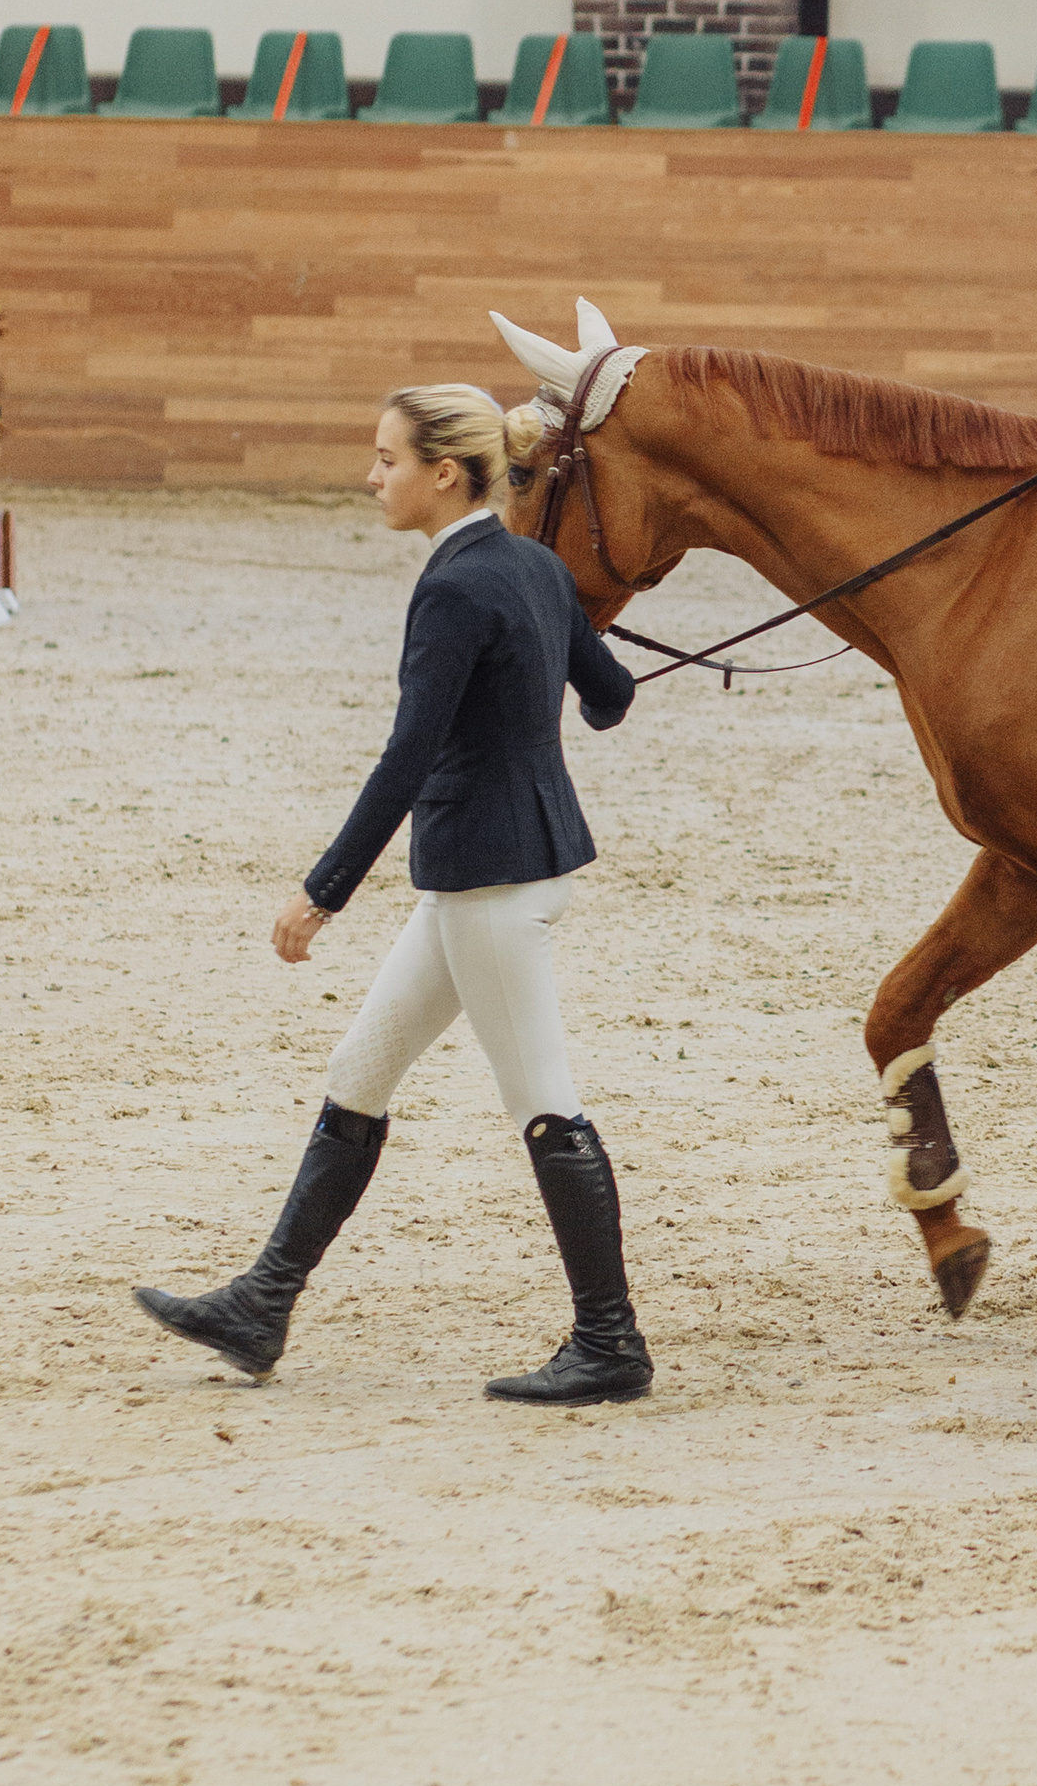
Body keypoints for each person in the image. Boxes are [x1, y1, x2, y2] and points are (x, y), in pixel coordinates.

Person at [134, 383, 651, 1407]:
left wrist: (321, 892)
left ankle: (611, 1344)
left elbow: (408, 753)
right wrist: (537, 685)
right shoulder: (537, 568)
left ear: (443, 473)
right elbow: (613, 697)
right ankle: (262, 1304)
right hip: (499, 865)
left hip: (491, 879)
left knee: (544, 1104)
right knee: (359, 1069)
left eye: (386, 459)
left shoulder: (457, 586)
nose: (372, 477)